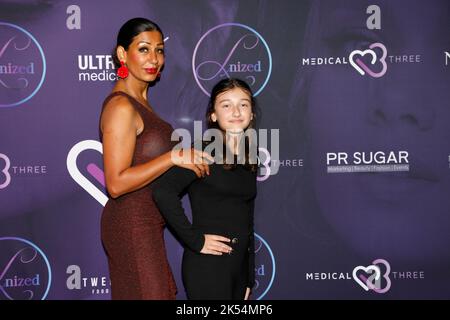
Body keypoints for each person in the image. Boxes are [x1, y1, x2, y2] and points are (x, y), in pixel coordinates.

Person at [99, 17, 226, 300]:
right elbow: (116, 183)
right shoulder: (121, 106)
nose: (154, 58)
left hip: (145, 223)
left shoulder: (141, 102)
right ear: (122, 54)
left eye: (159, 50)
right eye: (143, 49)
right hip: (131, 224)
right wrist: (172, 157)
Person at [152, 78, 258, 300]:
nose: (236, 111)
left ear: (252, 113)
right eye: (226, 105)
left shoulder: (249, 156)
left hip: (238, 268)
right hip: (208, 268)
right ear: (213, 115)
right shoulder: (203, 151)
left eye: (244, 104)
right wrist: (195, 240)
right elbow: (163, 192)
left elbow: (248, 219)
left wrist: (248, 276)